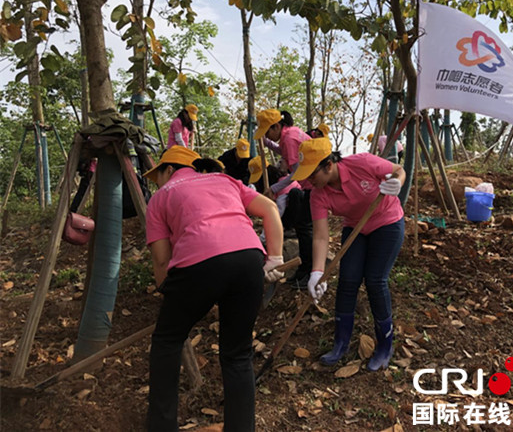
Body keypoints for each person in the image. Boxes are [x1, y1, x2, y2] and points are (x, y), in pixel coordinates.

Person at [143, 146, 284, 432]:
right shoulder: (225, 180)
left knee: (167, 342)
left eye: (157, 175)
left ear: (169, 170)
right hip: (248, 259)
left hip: (197, 264)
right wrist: (275, 258)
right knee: (237, 353)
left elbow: (161, 259)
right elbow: (270, 208)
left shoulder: (161, 197)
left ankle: (161, 426)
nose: (156, 181)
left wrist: (169, 295)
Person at [292, 137, 406, 371]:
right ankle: (340, 343)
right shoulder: (318, 194)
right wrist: (316, 271)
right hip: (355, 227)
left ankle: (385, 344)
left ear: (329, 165)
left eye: (313, 174)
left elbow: (398, 170)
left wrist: (398, 183)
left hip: (386, 221)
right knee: (347, 281)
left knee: (375, 280)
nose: (309, 180)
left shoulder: (363, 163)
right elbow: (321, 236)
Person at [255, 109, 313, 287]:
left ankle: (307, 272)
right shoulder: (291, 134)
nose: (267, 136)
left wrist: (274, 188)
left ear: (277, 126)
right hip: (309, 184)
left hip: (311, 185)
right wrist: (268, 143)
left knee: (305, 228)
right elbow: (284, 151)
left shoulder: (289, 138)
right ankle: (305, 271)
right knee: (304, 226)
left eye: (267, 132)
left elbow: (295, 173)